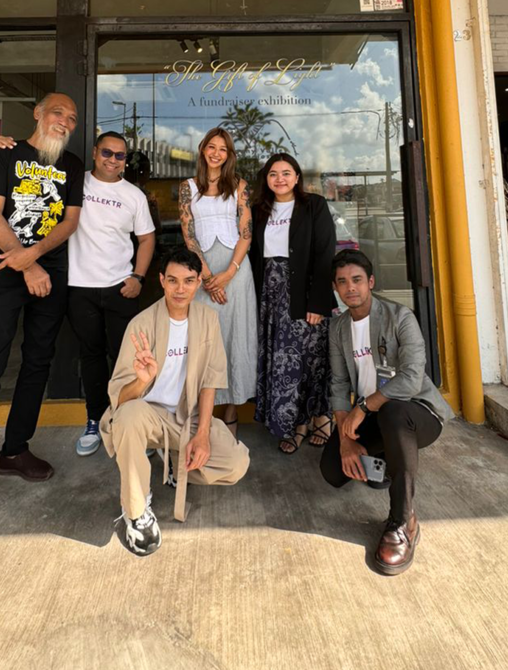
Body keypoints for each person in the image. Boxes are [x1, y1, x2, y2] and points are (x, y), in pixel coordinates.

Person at [0, 93, 84, 538]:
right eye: (58, 113)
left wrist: (38, 258)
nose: (65, 121)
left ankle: (14, 451)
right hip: (6, 272)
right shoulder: (4, 153)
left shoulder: (72, 166)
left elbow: (68, 221)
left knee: (37, 363)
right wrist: (26, 264)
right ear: (39, 115)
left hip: (49, 272)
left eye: (72, 117)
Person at [0, 130, 156, 457]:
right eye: (107, 153)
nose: (113, 160)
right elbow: (32, 170)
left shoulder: (134, 195)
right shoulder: (75, 179)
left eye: (120, 156)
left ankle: (131, 423)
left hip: (121, 286)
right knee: (91, 358)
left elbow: (147, 239)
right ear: (95, 153)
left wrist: (138, 276)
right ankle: (95, 420)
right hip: (79, 288)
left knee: (129, 361)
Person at [100, 247, 250, 556]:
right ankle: (137, 510)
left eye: (188, 281)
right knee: (127, 418)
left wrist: (203, 434)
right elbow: (120, 401)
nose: (180, 289)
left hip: (185, 419)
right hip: (146, 416)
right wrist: (142, 379)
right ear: (161, 281)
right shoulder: (141, 324)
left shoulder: (208, 319)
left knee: (235, 464)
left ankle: (172, 463)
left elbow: (210, 382)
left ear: (197, 283)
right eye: (173, 281)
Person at [320, 249, 454, 575]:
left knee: (393, 413)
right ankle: (391, 465)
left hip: (417, 414)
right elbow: (338, 385)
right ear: (336, 289)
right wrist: (345, 440)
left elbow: (410, 377)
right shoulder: (338, 328)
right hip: (373, 416)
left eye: (356, 280)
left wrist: (363, 407)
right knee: (333, 471)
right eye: (342, 282)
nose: (350, 288)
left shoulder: (399, 316)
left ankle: (402, 521)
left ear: (371, 282)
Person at [250, 153, 336, 452]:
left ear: (297, 177)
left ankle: (321, 418)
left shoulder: (314, 206)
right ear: (267, 179)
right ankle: (296, 424)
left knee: (312, 360)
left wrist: (318, 302)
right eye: (273, 174)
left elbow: (325, 254)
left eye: (286, 173)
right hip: (271, 299)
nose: (280, 179)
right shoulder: (259, 210)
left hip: (305, 294)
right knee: (284, 364)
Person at [178, 127, 257, 435]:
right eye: (211, 147)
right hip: (201, 272)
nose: (216, 153)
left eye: (223, 149)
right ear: (202, 150)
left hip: (235, 272)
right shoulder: (187, 187)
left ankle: (232, 412)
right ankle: (202, 417)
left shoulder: (239, 186)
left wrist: (228, 274)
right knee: (205, 340)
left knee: (235, 337)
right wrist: (209, 277)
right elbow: (188, 233)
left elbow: (246, 233)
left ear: (229, 155)